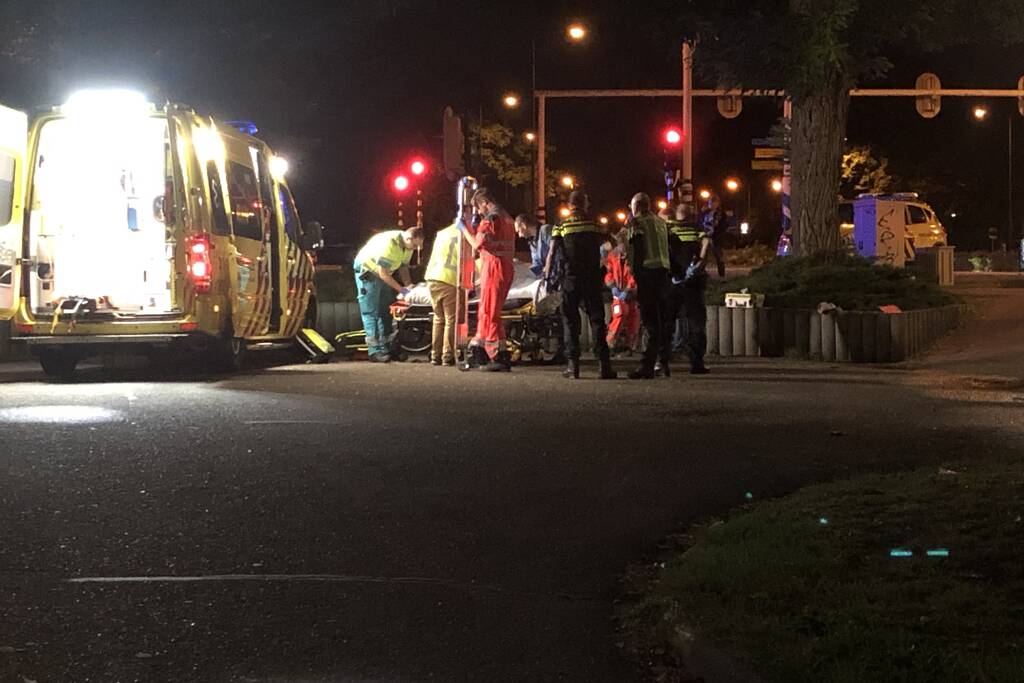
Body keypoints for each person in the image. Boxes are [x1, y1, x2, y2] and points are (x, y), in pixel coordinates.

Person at [552, 190, 616, 380]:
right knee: (596, 320)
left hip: (570, 278)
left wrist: (549, 273)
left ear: (570, 205)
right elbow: (612, 242)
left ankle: (573, 366)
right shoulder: (593, 224)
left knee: (570, 321)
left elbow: (553, 251)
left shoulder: (562, 225)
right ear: (584, 204)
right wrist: (605, 261)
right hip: (591, 278)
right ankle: (604, 366)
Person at [458, 188, 516, 372]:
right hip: (504, 267)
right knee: (488, 310)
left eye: (478, 207)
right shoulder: (507, 218)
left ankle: (496, 355)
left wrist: (464, 229)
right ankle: (480, 350)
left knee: (490, 312)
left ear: (484, 202)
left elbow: (477, 244)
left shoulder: (490, 220)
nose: (478, 211)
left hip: (493, 267)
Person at [353, 227, 425, 362]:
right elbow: (383, 274)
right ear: (408, 238)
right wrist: (402, 290)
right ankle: (374, 351)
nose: (415, 249)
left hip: (383, 275)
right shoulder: (390, 244)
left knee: (386, 311)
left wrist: (408, 285)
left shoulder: (407, 246)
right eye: (415, 246)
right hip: (368, 273)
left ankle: (388, 348)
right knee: (371, 312)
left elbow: (403, 267)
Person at [626, 192, 671, 379]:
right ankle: (663, 362)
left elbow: (636, 250)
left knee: (650, 322)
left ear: (636, 206)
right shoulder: (661, 222)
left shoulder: (636, 224)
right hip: (663, 275)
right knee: (662, 320)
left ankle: (647, 366)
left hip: (647, 275)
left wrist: (635, 276)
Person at [667, 203, 711, 374]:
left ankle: (662, 361)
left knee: (668, 322)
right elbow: (706, 245)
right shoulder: (698, 231)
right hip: (694, 284)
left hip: (673, 283)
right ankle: (696, 362)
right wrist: (697, 266)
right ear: (692, 216)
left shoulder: (669, 231)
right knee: (696, 323)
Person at [424, 222, 461, 366]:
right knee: (450, 320)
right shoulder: (464, 235)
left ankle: (435, 355)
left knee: (438, 319)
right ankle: (448, 355)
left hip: (432, 277)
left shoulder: (442, 233)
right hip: (448, 279)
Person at [604, 233, 640, 355]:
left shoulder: (633, 257)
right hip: (618, 293)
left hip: (632, 294)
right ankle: (610, 344)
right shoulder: (613, 256)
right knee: (619, 315)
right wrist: (613, 287)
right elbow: (608, 273)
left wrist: (628, 289)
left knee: (633, 319)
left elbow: (634, 276)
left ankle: (630, 346)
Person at [700, 193, 727, 277]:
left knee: (719, 257)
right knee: (703, 256)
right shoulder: (705, 213)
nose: (713, 205)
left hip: (716, 237)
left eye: (715, 203)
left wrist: (718, 231)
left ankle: (721, 275)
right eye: (711, 203)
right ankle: (701, 274)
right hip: (705, 236)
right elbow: (700, 222)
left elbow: (724, 225)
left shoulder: (721, 214)